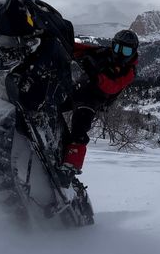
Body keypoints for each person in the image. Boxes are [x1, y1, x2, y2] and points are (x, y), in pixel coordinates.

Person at [60, 29, 139, 175]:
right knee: (53, 104)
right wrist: (62, 42)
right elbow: (81, 49)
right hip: (78, 89)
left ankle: (72, 165)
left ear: (133, 52)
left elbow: (111, 87)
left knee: (80, 124)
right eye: (117, 48)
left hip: (95, 98)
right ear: (112, 46)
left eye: (126, 51)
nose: (120, 53)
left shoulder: (129, 71)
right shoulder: (103, 52)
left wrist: (95, 75)